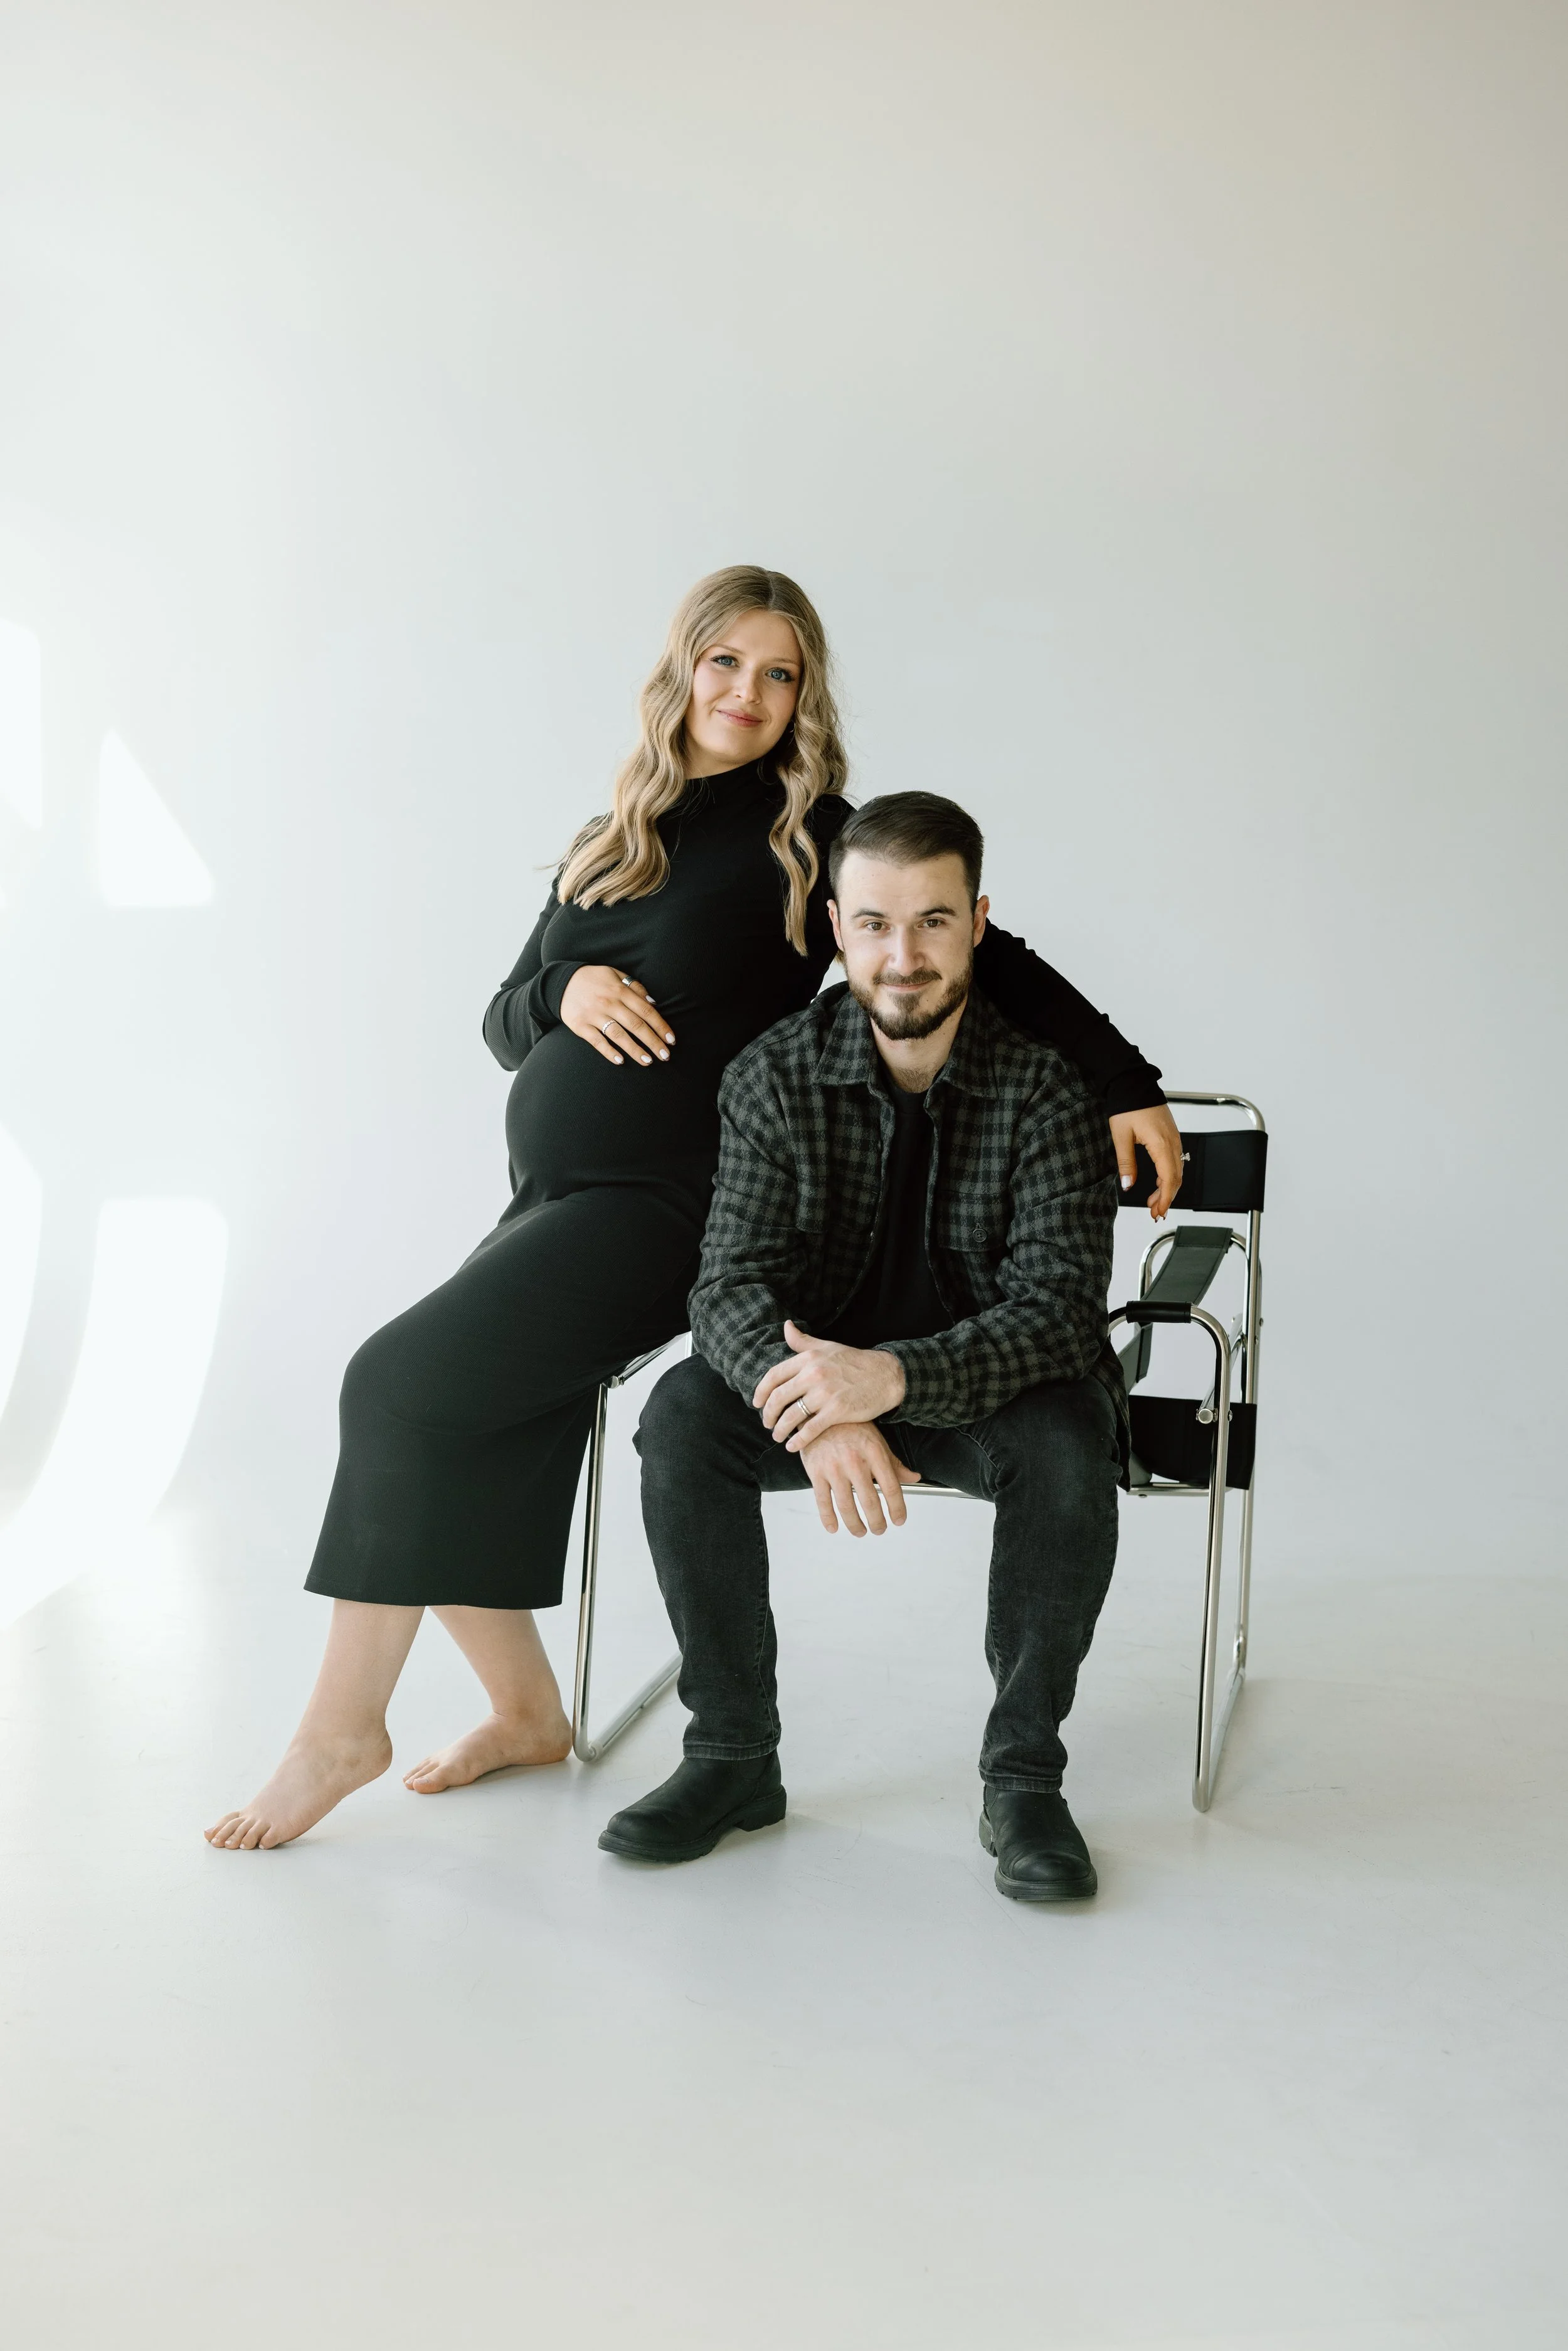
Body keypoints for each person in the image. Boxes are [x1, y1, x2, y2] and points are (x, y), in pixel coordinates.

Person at [206, 568, 1177, 1852]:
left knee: (395, 1383)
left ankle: (340, 1730)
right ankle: (523, 1708)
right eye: (727, 663)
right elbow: (502, 1016)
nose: (750, 694)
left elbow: (964, 948)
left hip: (667, 1206)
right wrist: (566, 991)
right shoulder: (624, 827)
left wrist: (1120, 1080)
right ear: (682, 670)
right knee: (459, 1417)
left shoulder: (808, 831)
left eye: (781, 674)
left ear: (805, 697)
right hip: (552, 1195)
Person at [602, 791, 1125, 1901]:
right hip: (824, 1393)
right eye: (876, 923)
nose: (905, 955)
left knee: (1074, 1433)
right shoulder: (773, 1076)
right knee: (684, 1414)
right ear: (835, 926)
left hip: (992, 1403)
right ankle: (732, 1758)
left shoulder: (1046, 1090)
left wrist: (890, 1378)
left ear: (978, 921)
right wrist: (827, 1405)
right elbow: (727, 1285)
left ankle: (1025, 1778)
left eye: (933, 921)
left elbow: (1061, 1312)